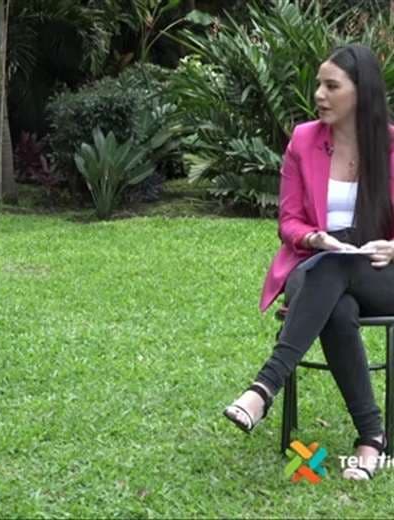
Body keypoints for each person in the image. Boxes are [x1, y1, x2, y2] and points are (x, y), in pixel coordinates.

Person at [223, 43, 394, 481]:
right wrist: (314, 237)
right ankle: (372, 438)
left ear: (361, 92)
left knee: (337, 268)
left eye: (331, 86)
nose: (319, 94)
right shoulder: (303, 140)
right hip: (314, 266)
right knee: (334, 291)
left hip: (379, 274)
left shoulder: (391, 145)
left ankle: (264, 388)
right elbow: (289, 221)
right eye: (319, 84)